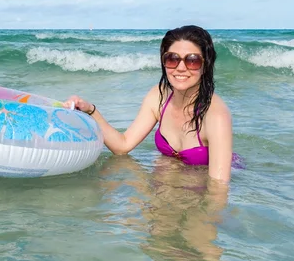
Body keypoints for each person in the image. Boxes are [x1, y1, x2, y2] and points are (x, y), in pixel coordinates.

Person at [66, 25, 237, 184]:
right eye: (172, 59)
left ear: (205, 64)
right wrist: (90, 110)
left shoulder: (216, 116)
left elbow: (218, 190)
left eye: (192, 60)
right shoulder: (159, 96)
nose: (181, 68)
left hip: (209, 178)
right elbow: (122, 146)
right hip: (175, 176)